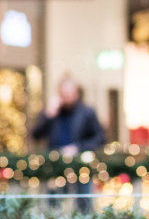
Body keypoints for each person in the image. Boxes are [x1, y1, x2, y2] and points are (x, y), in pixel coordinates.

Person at [31, 76, 104, 211]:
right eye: (64, 94)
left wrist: (78, 148)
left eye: (69, 94)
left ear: (76, 93)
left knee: (83, 206)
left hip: (80, 167)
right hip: (55, 167)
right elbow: (35, 135)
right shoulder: (52, 113)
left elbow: (100, 138)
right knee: (54, 205)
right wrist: (48, 115)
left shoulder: (87, 112)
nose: (67, 98)